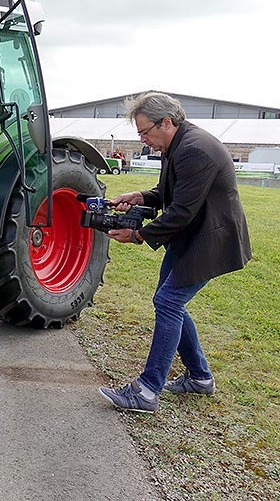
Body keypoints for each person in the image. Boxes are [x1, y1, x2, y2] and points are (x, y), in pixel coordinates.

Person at [98, 91, 251, 413]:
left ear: (166, 122)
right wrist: (140, 195)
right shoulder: (176, 144)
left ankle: (147, 391)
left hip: (209, 240)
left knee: (168, 302)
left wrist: (137, 234)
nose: (142, 138)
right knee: (171, 303)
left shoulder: (195, 150)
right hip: (190, 237)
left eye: (144, 131)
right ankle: (199, 378)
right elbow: (169, 193)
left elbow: (182, 211)